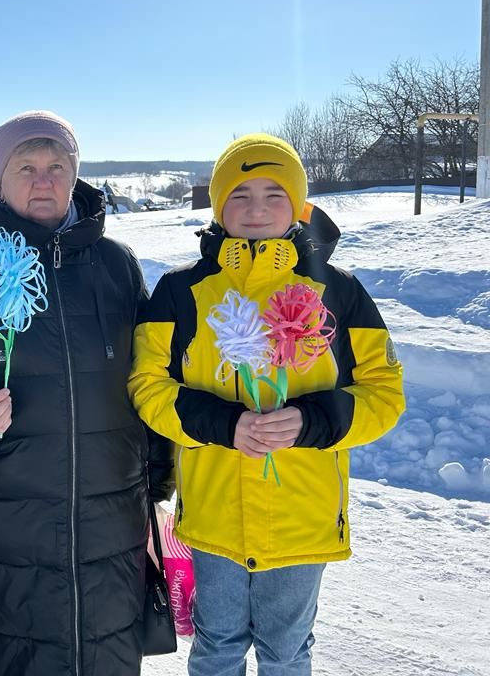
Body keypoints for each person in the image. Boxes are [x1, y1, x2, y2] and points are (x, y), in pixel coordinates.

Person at [0, 110, 174, 675]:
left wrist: (157, 483)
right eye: (26, 167)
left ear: (75, 174)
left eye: (56, 166)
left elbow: (150, 377)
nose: (43, 180)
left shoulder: (116, 265)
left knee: (108, 656)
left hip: (112, 516)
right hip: (6, 521)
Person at [128, 133, 405, 676]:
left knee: (286, 651)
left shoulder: (339, 292)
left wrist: (311, 421)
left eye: (273, 194)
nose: (256, 209)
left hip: (302, 517)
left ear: (298, 205)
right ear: (218, 204)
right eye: (240, 194)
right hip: (213, 514)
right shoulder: (181, 291)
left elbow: (384, 393)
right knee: (218, 646)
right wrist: (225, 425)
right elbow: (146, 385)